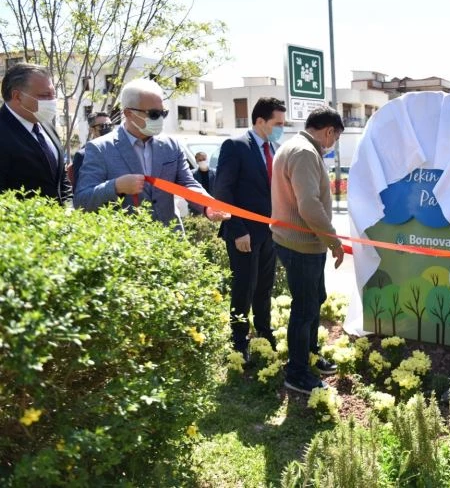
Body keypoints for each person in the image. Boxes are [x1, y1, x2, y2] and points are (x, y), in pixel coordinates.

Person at [74, 78, 228, 228]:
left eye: (163, 113)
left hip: (170, 240)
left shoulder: (171, 145)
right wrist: (116, 186)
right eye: (154, 114)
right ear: (128, 113)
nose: (160, 119)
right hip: (126, 246)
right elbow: (83, 201)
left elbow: (187, 184)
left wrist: (207, 206)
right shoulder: (99, 149)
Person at [271, 106, 344, 394]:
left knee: (315, 300)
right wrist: (334, 241)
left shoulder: (296, 147)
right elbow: (309, 205)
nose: (333, 144)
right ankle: (297, 372)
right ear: (329, 131)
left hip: (303, 243)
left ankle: (309, 353)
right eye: (336, 138)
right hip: (301, 245)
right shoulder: (304, 153)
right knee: (304, 309)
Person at [214, 97, 284, 360]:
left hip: (269, 232)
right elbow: (223, 191)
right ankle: (239, 337)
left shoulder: (273, 149)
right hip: (243, 233)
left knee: (264, 287)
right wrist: (237, 228)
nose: (281, 128)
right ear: (260, 121)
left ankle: (264, 331)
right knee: (244, 287)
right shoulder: (236, 146)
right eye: (277, 123)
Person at [0, 62, 71, 204]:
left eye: (53, 94)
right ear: (17, 96)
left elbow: (61, 180)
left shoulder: (45, 125)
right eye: (45, 95)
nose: (52, 101)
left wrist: (69, 208)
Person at [69, 111, 112, 187]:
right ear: (92, 130)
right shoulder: (83, 155)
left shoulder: (118, 151)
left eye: (109, 125)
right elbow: (80, 188)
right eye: (102, 126)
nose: (107, 129)